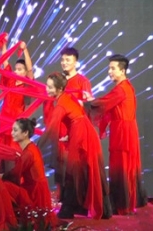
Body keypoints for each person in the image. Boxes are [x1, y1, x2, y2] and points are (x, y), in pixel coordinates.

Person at [37, 72, 112, 220]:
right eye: (47, 86)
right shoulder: (67, 97)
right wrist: (69, 134)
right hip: (84, 132)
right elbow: (77, 115)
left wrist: (36, 147)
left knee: (73, 172)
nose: (47, 89)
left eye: (50, 87)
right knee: (86, 170)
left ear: (59, 89)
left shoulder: (61, 105)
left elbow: (51, 129)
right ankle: (101, 209)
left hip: (81, 135)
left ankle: (68, 209)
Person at [85, 54, 148, 215]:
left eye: (113, 68)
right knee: (125, 167)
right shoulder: (126, 87)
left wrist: (86, 104)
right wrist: (92, 101)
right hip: (126, 131)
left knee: (121, 167)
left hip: (122, 133)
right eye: (109, 68)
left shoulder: (121, 89)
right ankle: (126, 203)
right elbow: (107, 103)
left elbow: (104, 103)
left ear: (122, 70)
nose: (109, 72)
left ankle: (122, 205)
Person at [45, 47, 92, 195]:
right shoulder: (58, 80)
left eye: (68, 60)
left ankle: (74, 196)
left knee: (73, 163)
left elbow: (87, 108)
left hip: (74, 129)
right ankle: (60, 194)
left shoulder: (83, 81)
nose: (64, 63)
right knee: (59, 162)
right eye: (62, 60)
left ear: (76, 62)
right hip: (60, 126)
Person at [0, 36, 34, 173]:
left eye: (20, 69)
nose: (16, 71)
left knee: (14, 152)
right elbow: (5, 61)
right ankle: (1, 177)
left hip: (16, 123)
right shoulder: (10, 81)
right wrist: (4, 44)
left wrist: (25, 50)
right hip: (4, 121)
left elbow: (30, 70)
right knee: (1, 151)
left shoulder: (27, 85)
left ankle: (14, 178)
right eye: (16, 69)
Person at [0, 118, 54, 213]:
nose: (12, 133)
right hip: (35, 190)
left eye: (15, 130)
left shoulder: (28, 153)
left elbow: (15, 174)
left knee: (3, 186)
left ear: (25, 133)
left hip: (34, 193)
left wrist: (2, 176)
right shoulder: (32, 148)